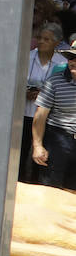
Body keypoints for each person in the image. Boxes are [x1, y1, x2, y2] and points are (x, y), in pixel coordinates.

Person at [23, 23, 68, 182]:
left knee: (41, 159)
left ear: (57, 42)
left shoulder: (62, 63)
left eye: (47, 39)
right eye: (40, 38)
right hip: (23, 112)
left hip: (45, 117)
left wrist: (44, 93)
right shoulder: (27, 57)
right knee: (20, 154)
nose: (41, 41)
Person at [31, 48, 76, 191]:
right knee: (50, 189)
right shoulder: (55, 82)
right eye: (70, 57)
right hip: (59, 139)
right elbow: (40, 116)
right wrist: (37, 146)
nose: (72, 61)